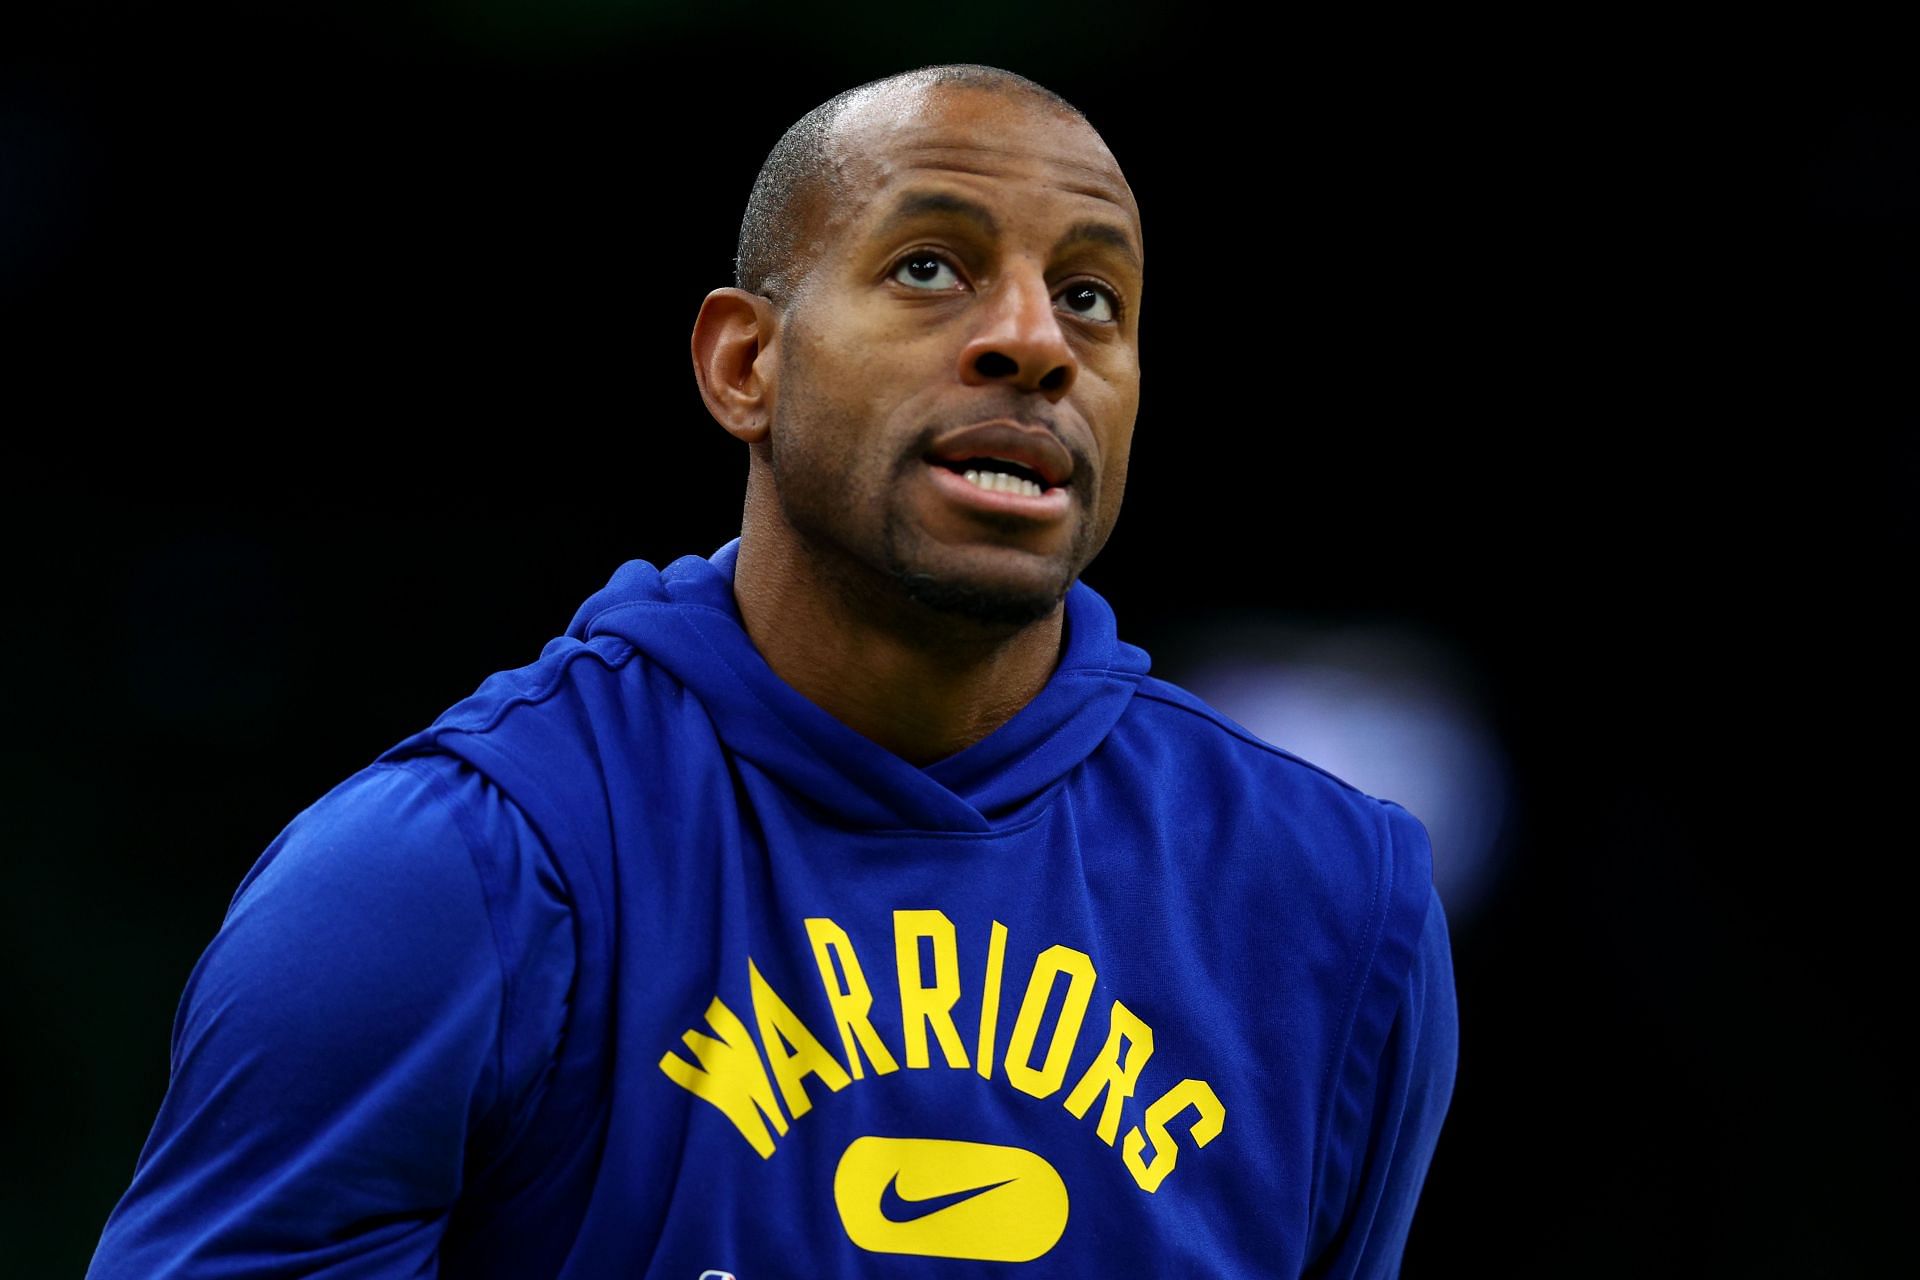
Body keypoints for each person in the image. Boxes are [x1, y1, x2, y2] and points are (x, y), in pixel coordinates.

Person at [88, 63, 1458, 1278]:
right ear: (746, 364)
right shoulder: (454, 876)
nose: (1034, 340)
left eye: (1093, 298)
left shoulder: (1334, 908)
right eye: (931, 267)